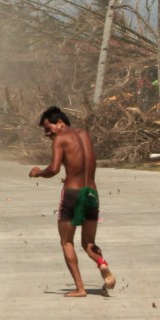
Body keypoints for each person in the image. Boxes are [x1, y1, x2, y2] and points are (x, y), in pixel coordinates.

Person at [29, 106, 116, 297]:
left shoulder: (60, 139)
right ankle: (103, 265)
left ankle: (80, 288)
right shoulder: (85, 134)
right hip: (92, 194)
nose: (46, 134)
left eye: (48, 128)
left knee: (66, 241)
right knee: (88, 243)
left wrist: (38, 173)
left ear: (60, 123)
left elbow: (53, 169)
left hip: (73, 193)